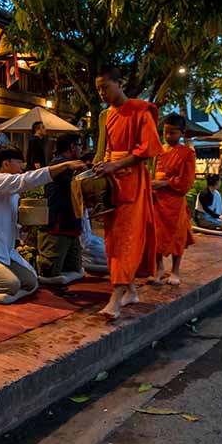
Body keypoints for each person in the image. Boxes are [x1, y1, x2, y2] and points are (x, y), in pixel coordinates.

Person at [0, 147, 86, 295]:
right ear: (6, 164)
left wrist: (21, 230)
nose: (22, 167)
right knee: (12, 286)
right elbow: (26, 180)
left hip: (2, 251)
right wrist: (65, 166)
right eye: (19, 162)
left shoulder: (12, 194)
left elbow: (9, 222)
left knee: (31, 282)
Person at [92, 66, 163, 319]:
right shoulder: (104, 116)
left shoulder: (140, 110)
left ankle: (116, 296)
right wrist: (99, 165)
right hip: (112, 183)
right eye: (98, 88)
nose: (101, 93)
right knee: (112, 240)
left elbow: (148, 149)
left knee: (127, 239)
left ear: (119, 84)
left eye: (105, 87)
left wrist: (116, 164)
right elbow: (103, 149)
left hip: (132, 180)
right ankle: (131, 290)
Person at [151, 114, 196, 286]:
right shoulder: (157, 152)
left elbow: (186, 182)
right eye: (166, 132)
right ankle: (159, 268)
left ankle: (175, 270)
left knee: (178, 237)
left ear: (182, 133)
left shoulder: (187, 154)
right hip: (157, 200)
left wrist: (163, 183)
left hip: (175, 201)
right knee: (156, 235)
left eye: (173, 133)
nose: (168, 136)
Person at [37, 133, 86, 278]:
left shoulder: (71, 164)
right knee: (49, 270)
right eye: (79, 145)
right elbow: (78, 185)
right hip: (59, 222)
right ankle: (26, 256)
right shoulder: (60, 164)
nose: (81, 149)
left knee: (74, 268)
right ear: (72, 146)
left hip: (70, 222)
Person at [78, 151, 109, 272]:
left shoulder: (86, 203)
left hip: (90, 240)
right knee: (111, 257)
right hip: (84, 246)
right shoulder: (77, 196)